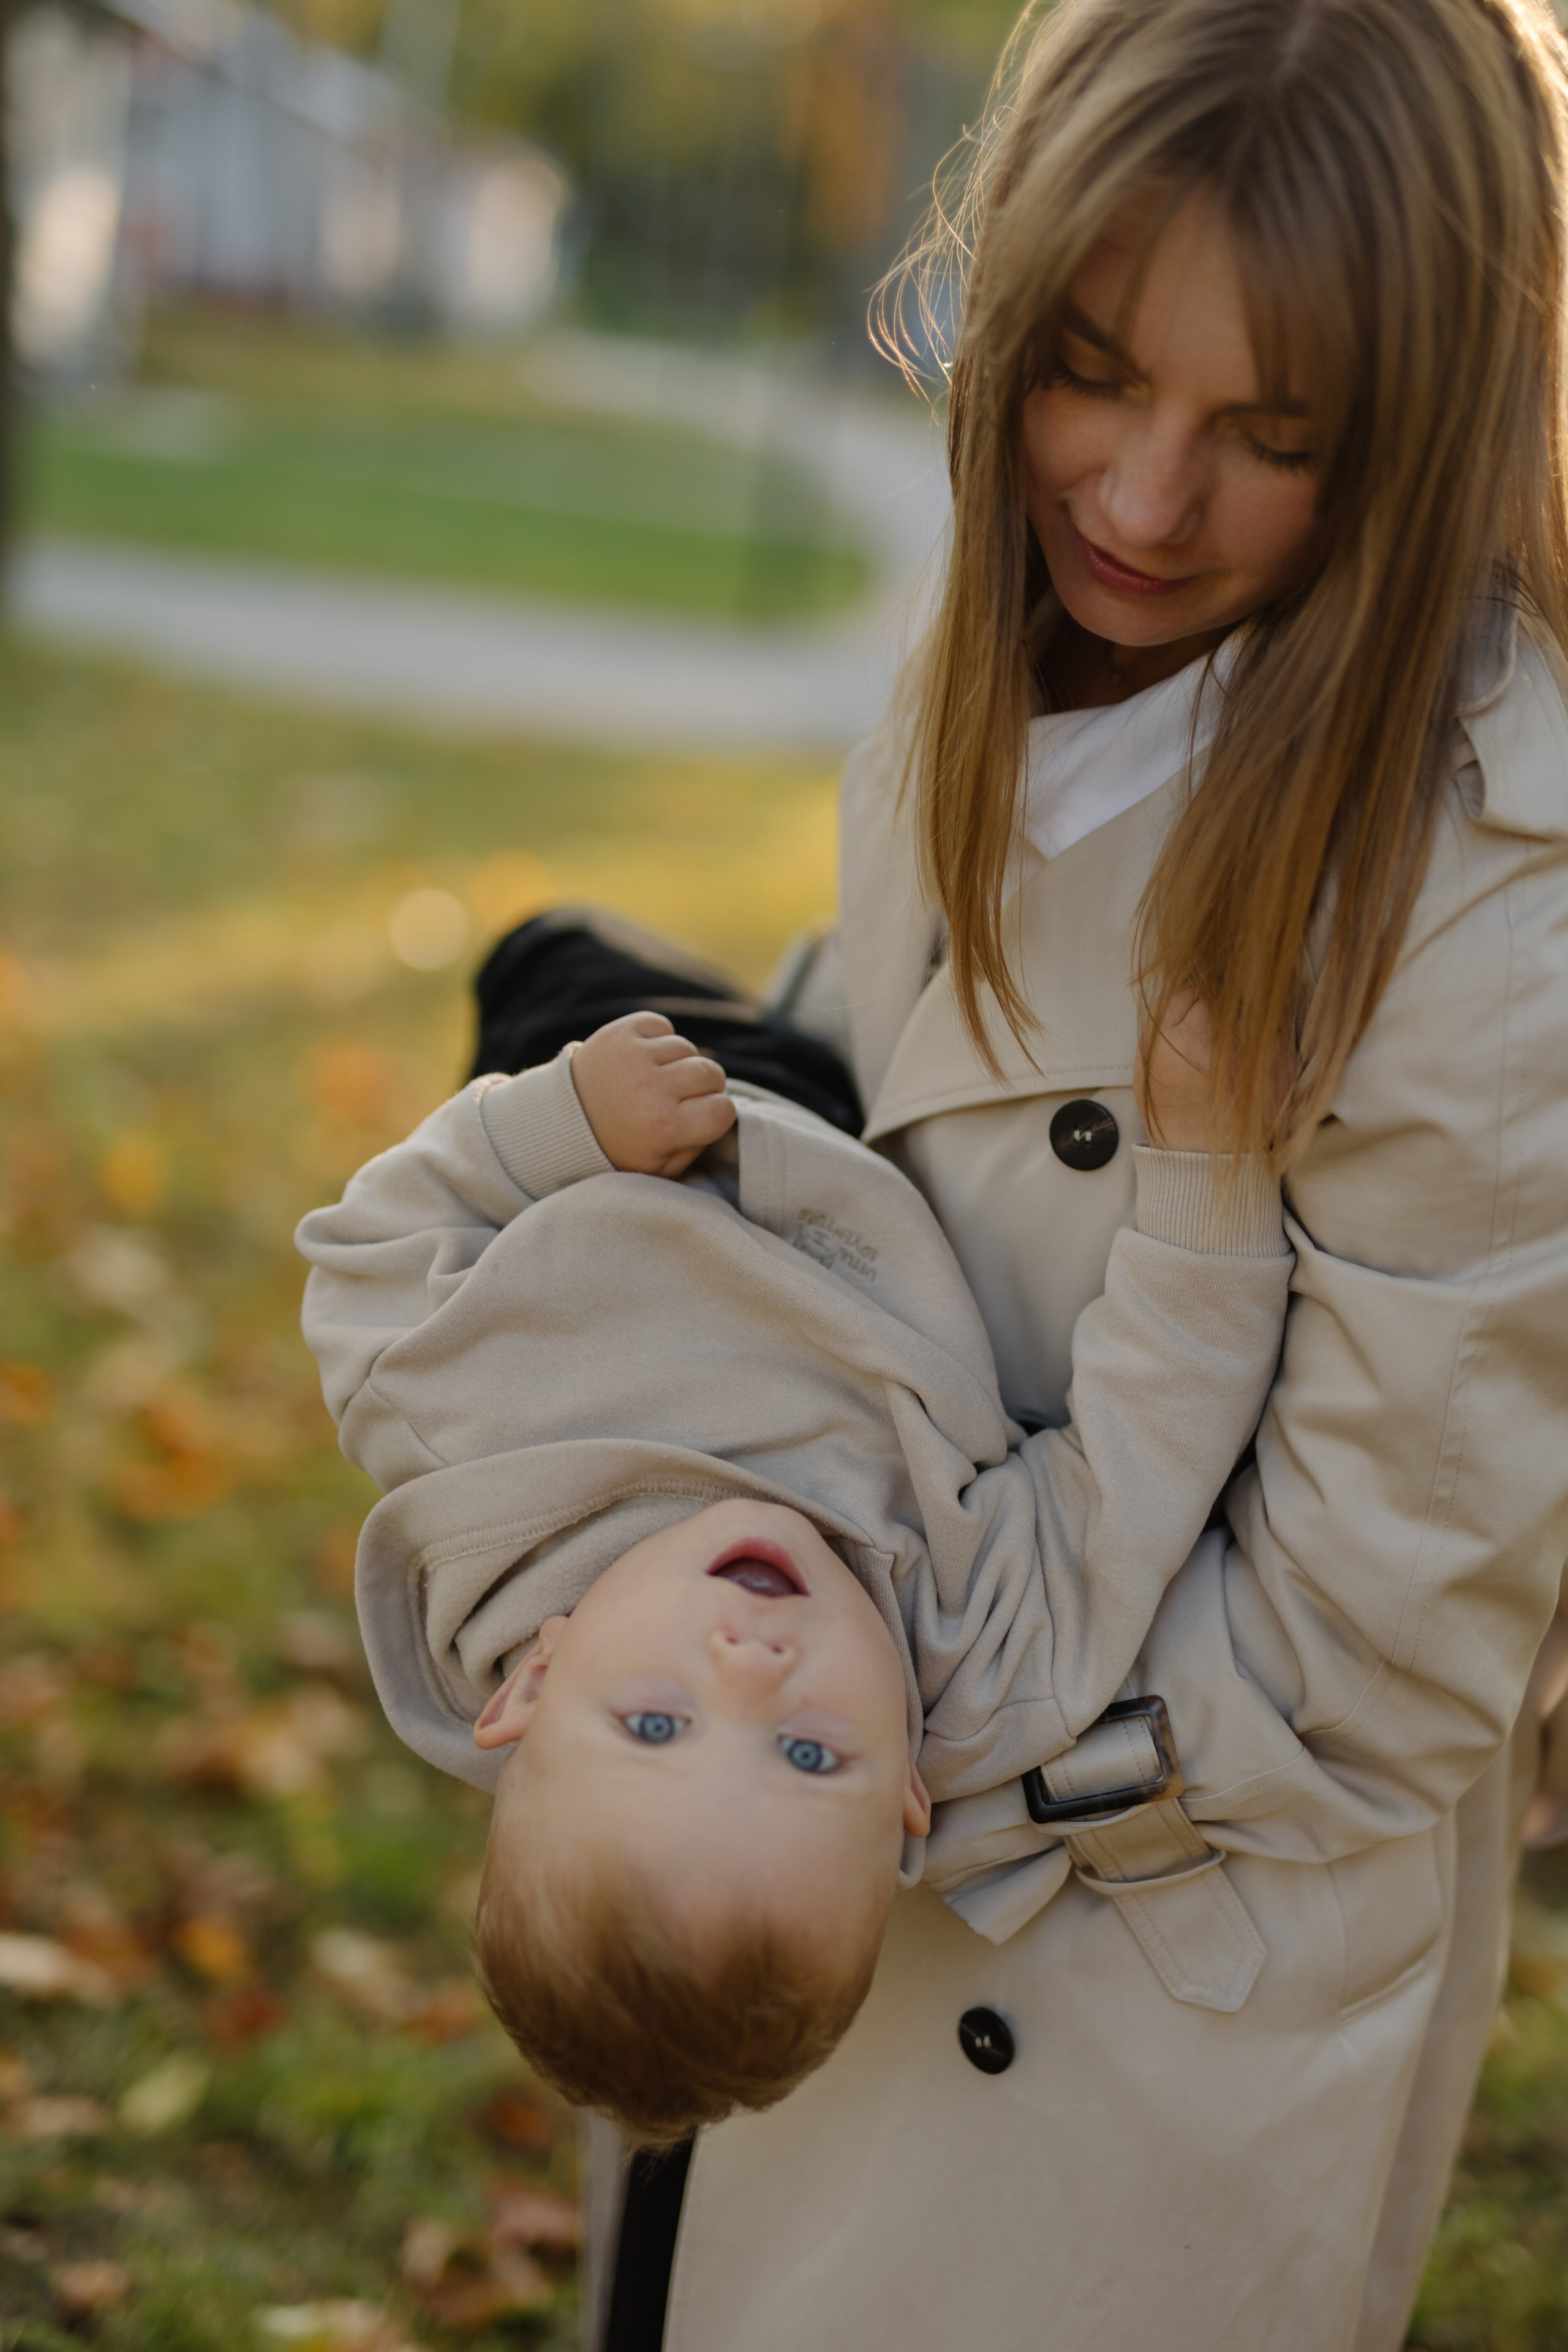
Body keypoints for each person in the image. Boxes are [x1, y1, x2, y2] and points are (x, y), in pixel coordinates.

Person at [559, 1, 1568, 2348]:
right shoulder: (1021, 630)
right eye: (1091, 368)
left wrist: (868, 1755)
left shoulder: (1499, 896)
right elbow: (900, 1080)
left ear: (1425, 430)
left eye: (1273, 432)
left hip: (1106, 1969)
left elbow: (1363, 1659)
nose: (1136, 496)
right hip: (805, 1790)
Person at [295, 910, 1291, 2150]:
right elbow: (1155, 1433)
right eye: (812, 1757)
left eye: (654, 1723)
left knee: (550, 951)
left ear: (536, 1681)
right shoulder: (982, 1651)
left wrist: (554, 1125)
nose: (752, 1672)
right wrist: (1205, 1164)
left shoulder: (474, 1467)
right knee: (892, 951)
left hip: (617, 1108)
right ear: (913, 1794)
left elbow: (367, 1251)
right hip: (830, 1149)